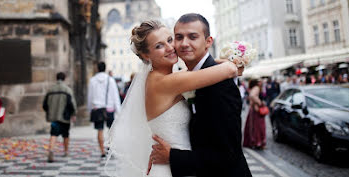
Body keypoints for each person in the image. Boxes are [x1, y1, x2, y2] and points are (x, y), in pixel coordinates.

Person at [106, 16, 248, 177]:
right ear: (146, 55)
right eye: (159, 46)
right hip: (172, 167)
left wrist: (215, 62)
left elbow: (191, 73)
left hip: (180, 166)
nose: (170, 48)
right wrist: (231, 64)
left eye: (170, 40)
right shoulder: (165, 82)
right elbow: (229, 70)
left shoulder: (161, 78)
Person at [87, 62, 121, 157]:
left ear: (97, 68)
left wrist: (90, 108)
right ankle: (109, 147)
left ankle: (102, 151)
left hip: (97, 109)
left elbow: (90, 96)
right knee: (111, 130)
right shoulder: (110, 80)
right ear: (105, 68)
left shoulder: (93, 80)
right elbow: (115, 96)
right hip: (109, 108)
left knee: (99, 130)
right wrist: (118, 110)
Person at [43, 72, 77, 162]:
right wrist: (73, 113)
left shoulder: (50, 90)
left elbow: (44, 104)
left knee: (53, 134)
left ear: (56, 78)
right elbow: (71, 103)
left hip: (53, 117)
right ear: (64, 78)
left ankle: (51, 150)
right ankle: (66, 151)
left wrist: (49, 112)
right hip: (64, 116)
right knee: (65, 135)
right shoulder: (67, 90)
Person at [243, 78, 266, 150]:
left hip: (254, 109)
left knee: (255, 126)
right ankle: (256, 142)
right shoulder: (256, 88)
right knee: (258, 127)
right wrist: (260, 103)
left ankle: (255, 142)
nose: (261, 82)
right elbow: (252, 96)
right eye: (259, 81)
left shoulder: (256, 87)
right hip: (256, 110)